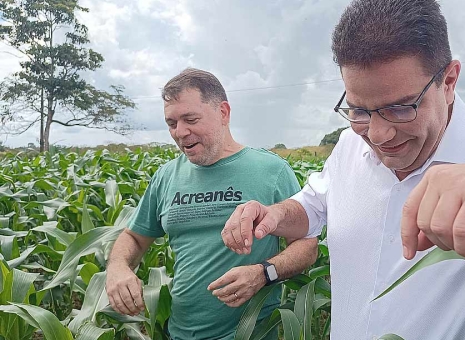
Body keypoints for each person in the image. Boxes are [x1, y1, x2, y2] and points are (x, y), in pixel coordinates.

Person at [221, 0, 465, 339]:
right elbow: (314, 205)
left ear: (449, 81)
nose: (379, 134)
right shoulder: (352, 144)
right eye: (359, 110)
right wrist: (273, 215)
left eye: (402, 107)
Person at [106, 68, 318, 340]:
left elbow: (306, 244)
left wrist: (263, 273)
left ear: (223, 113)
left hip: (250, 333)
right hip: (180, 333)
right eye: (171, 123)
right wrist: (117, 268)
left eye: (190, 119)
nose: (180, 132)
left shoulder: (271, 171)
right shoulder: (166, 176)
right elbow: (134, 237)